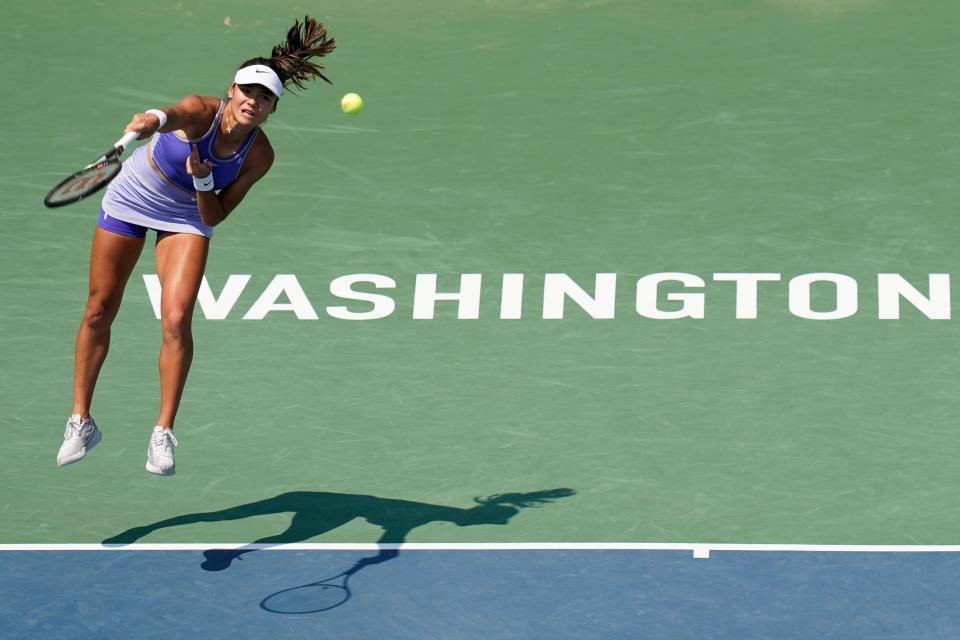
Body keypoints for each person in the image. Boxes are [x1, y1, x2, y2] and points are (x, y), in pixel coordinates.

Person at [56, 16, 336, 475]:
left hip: (188, 215)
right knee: (99, 308)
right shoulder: (199, 111)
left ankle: (162, 433)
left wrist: (203, 178)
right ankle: (81, 419)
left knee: (177, 317)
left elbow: (215, 216)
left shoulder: (260, 155)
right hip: (133, 196)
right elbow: (165, 116)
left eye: (265, 98)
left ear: (272, 110)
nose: (254, 101)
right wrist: (150, 120)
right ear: (232, 90)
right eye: (249, 91)